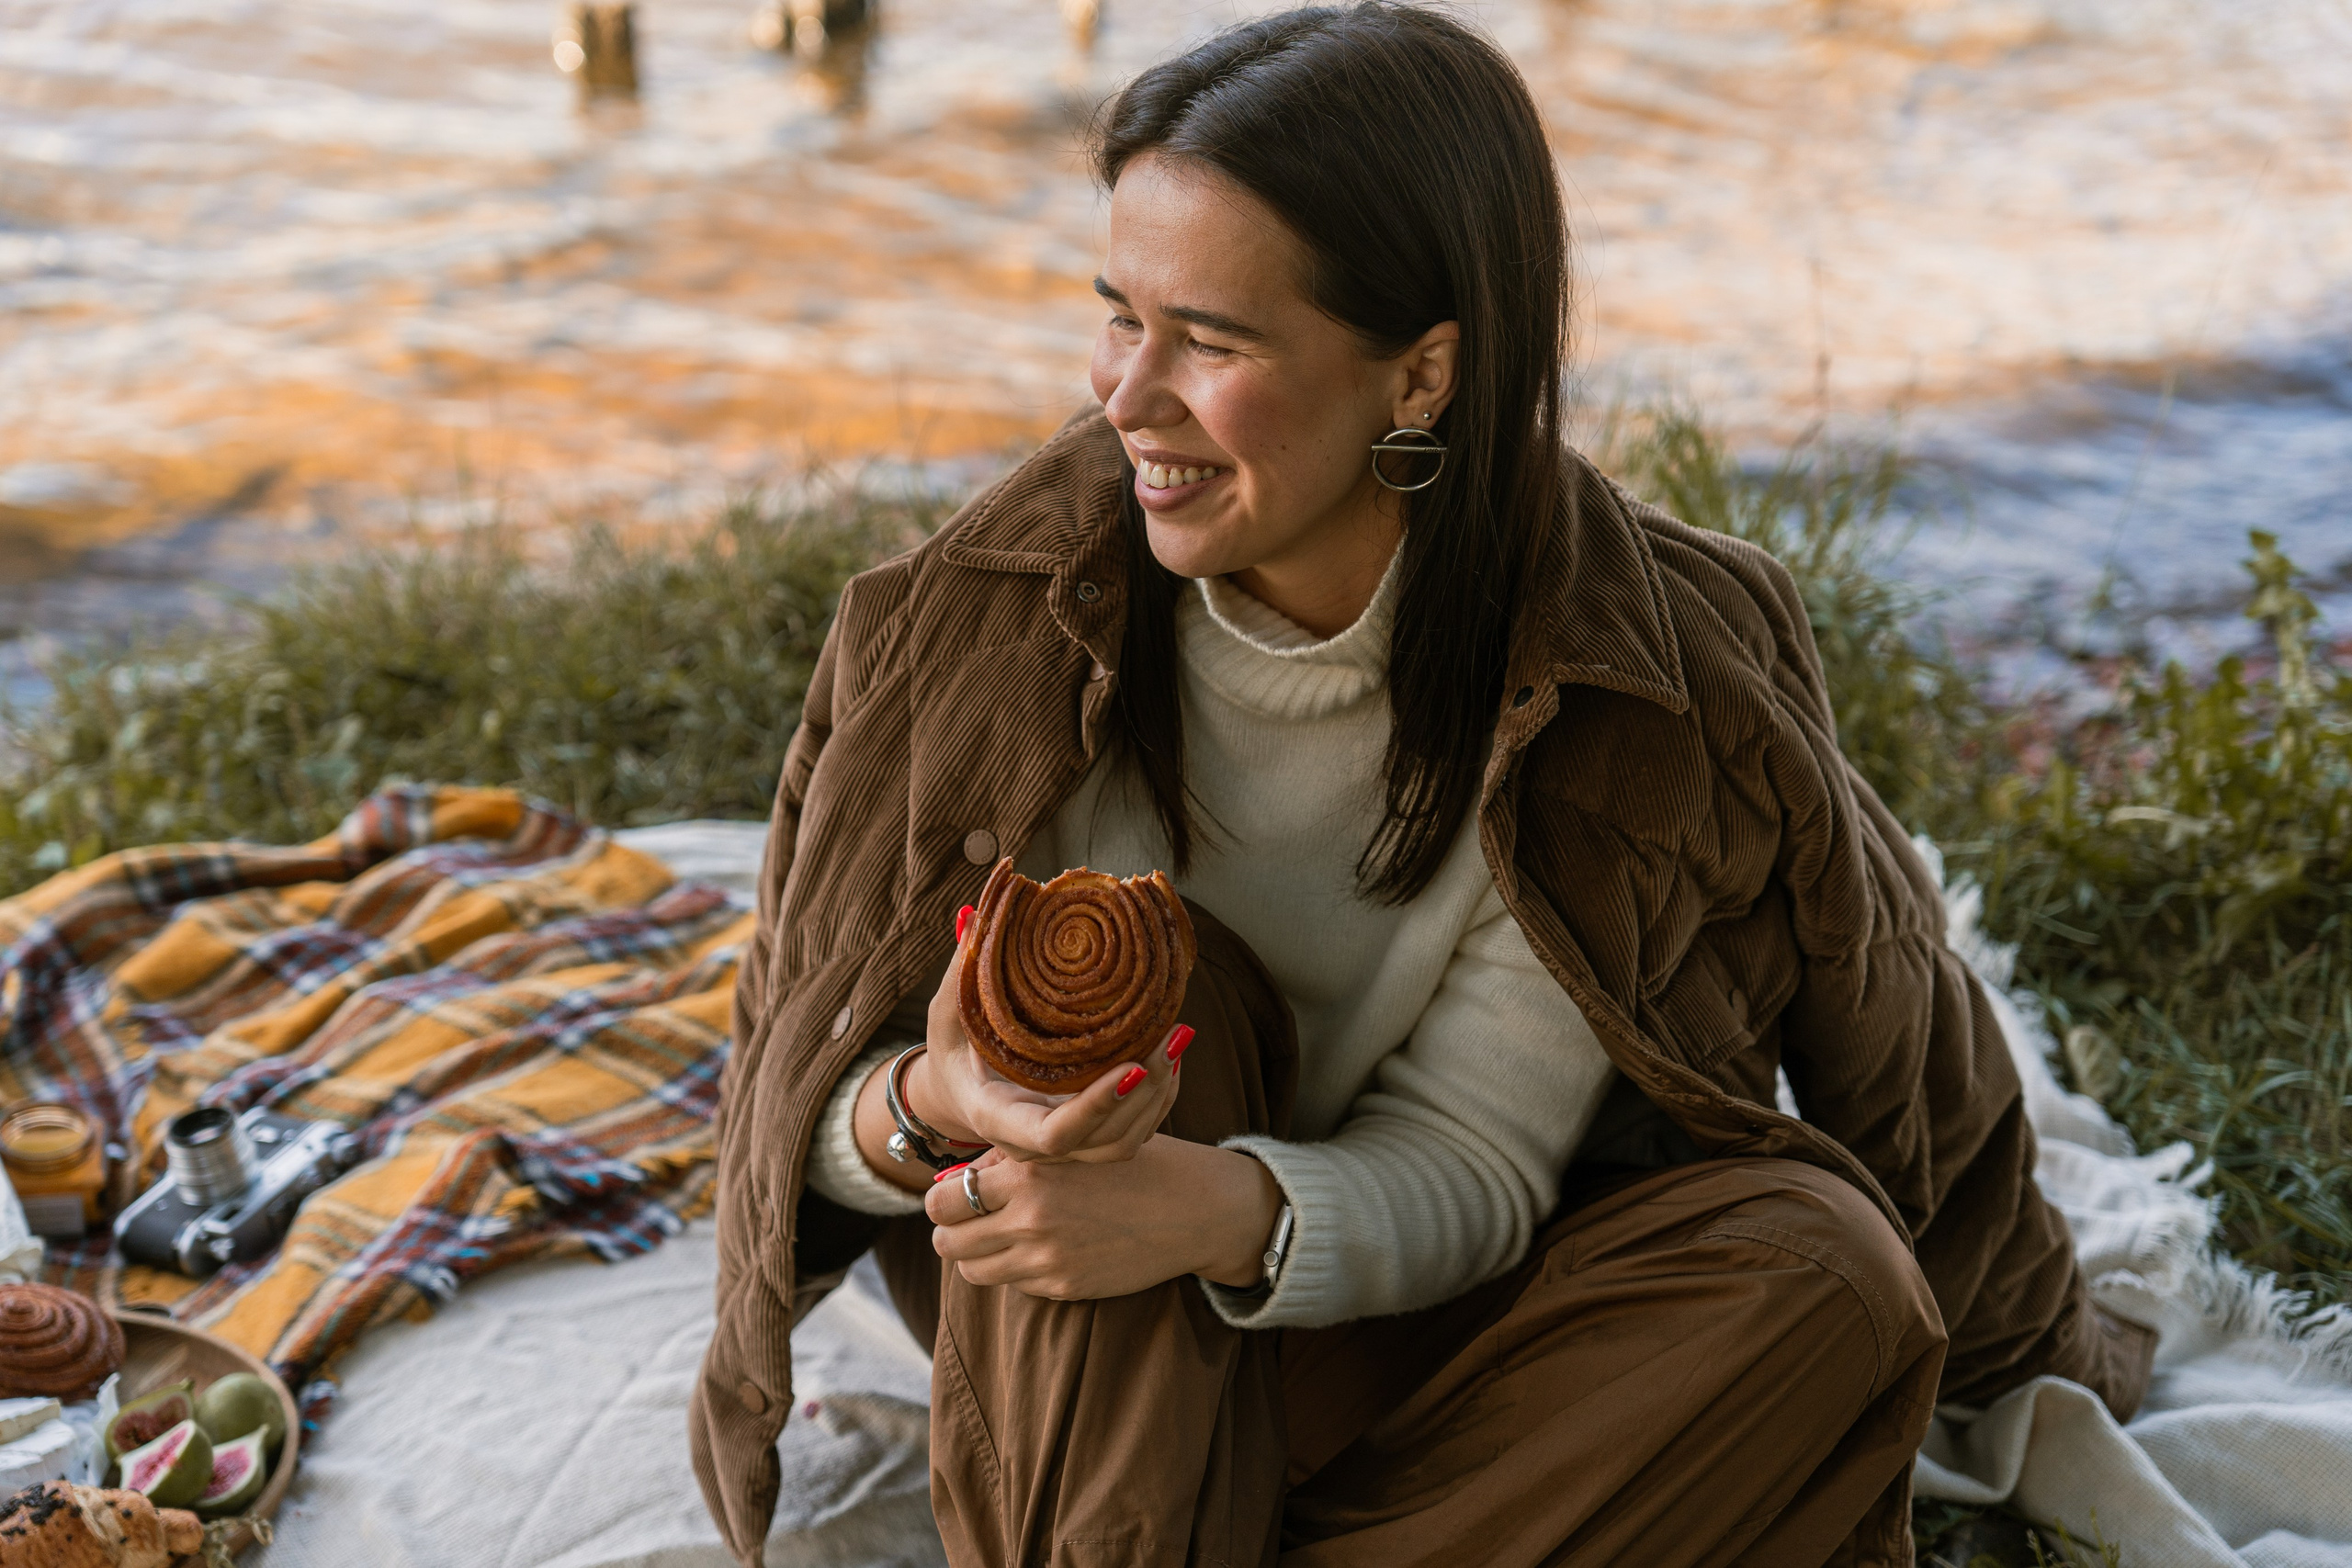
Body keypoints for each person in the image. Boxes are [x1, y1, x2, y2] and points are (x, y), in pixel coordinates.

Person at [689, 6, 2155, 1563]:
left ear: (1421, 374)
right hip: (1074, 1323)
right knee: (1168, 1016)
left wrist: (1225, 1212)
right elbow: (789, 1093)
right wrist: (938, 1105)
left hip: (1426, 1318)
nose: (1127, 398)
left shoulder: (1641, 677)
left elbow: (1499, 1150)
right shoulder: (965, 626)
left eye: (1215, 340)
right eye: (1119, 313)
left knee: (1838, 1278)